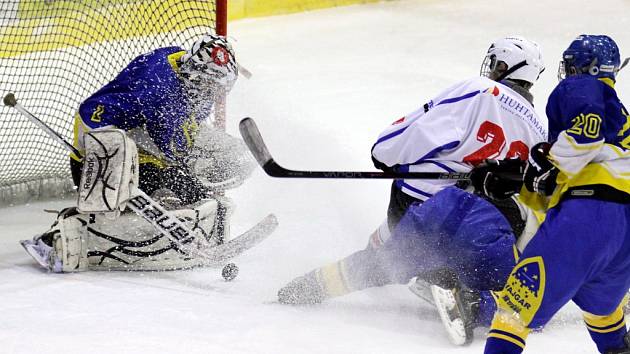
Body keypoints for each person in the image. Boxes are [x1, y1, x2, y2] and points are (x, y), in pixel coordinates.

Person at [277, 36, 547, 345]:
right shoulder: (538, 130)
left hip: (419, 209)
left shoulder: (481, 90)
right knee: (467, 255)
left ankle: (311, 285)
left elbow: (393, 145)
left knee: (384, 259)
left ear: (503, 66)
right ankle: (452, 279)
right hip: (480, 227)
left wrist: (387, 155)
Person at [20, 34, 257, 272]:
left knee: (189, 187)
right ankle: (57, 237)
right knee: (171, 190)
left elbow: (180, 131)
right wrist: (211, 168)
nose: (215, 93)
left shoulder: (179, 61)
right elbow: (176, 149)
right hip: (99, 153)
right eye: (211, 85)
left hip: (134, 140)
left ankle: (160, 198)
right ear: (196, 74)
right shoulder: (161, 92)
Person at [482, 35, 630, 354]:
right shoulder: (622, 119)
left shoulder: (582, 87)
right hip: (623, 233)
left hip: (593, 215)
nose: (568, 72)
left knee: (513, 312)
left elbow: (585, 135)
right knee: (601, 307)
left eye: (573, 65)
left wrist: (546, 164)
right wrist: (527, 177)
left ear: (587, 68)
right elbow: (556, 180)